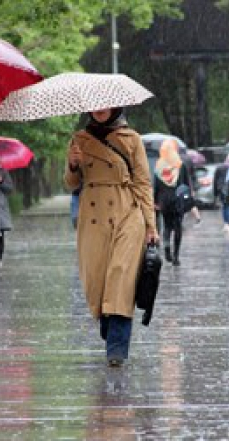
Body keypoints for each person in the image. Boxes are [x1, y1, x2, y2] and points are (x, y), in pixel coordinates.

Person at [64, 107, 158, 368]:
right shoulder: (79, 140)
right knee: (98, 281)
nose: (100, 110)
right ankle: (111, 328)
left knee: (121, 278)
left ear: (116, 106)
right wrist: (73, 165)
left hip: (127, 213)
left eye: (105, 105)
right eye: (94, 106)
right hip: (93, 217)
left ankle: (116, 347)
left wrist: (151, 224)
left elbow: (142, 183)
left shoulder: (132, 139)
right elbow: (71, 183)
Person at [154, 139, 190, 266]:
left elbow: (156, 185)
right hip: (178, 200)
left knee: (167, 226)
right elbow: (186, 184)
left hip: (164, 201)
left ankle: (167, 249)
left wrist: (155, 201)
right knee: (178, 226)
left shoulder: (159, 166)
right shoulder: (181, 165)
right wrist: (189, 201)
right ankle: (176, 256)